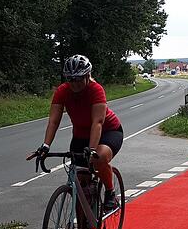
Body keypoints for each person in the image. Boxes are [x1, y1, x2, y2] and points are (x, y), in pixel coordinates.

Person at [32, 54, 123, 217]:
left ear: (88, 75)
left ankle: (110, 193)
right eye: (70, 79)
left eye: (79, 79)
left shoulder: (96, 90)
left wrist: (92, 149)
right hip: (80, 135)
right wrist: (45, 146)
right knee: (80, 182)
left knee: (99, 158)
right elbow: (53, 121)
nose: (74, 84)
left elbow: (98, 123)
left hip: (108, 131)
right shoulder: (63, 91)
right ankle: (82, 227)